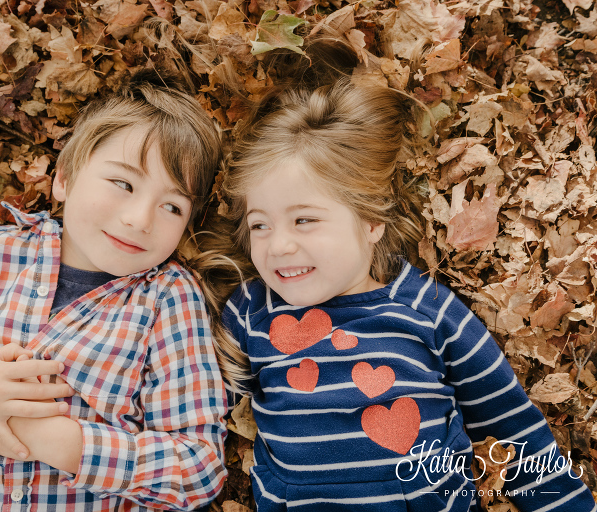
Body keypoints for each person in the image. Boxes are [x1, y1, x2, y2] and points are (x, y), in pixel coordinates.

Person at [213, 74, 597, 511]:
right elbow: (203, 406)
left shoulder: (426, 310)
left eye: (304, 220)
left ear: (372, 221)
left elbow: (509, 422)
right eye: (259, 225)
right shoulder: (250, 311)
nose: (277, 245)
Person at [0, 73, 228, 511]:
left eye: (172, 206)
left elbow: (199, 471)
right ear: (64, 178)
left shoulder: (168, 299)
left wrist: (63, 442)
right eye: (123, 183)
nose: (140, 218)